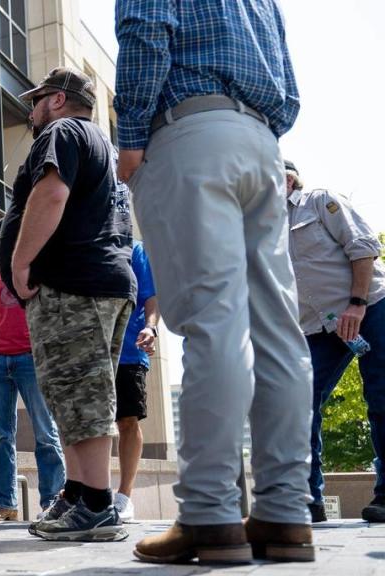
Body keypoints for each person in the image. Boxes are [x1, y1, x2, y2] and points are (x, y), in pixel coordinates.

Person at [114, 0, 314, 564]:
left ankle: (209, 515)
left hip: (190, 133)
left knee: (214, 326)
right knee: (277, 330)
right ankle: (285, 513)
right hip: (261, 142)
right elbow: (287, 81)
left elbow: (144, 31)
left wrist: (130, 139)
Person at [0, 67, 136, 542]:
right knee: (69, 392)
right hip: (101, 281)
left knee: (81, 393)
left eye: (36, 100)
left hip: (76, 283)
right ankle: (79, 493)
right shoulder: (102, 144)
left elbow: (51, 193)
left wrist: (20, 262)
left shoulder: (62, 131)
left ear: (57, 100)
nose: (31, 109)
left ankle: (96, 503)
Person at [284, 160, 385, 524]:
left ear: (287, 178)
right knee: (298, 404)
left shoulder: (320, 202)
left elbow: (363, 248)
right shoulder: (262, 227)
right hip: (319, 328)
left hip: (370, 308)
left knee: (382, 396)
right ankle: (308, 500)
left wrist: (356, 305)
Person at [0, 218, 65, 522]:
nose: (2, 241)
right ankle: (4, 504)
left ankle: (53, 502)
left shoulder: (41, 274)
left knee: (45, 432)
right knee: (2, 436)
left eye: (7, 236)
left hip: (31, 360)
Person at [113, 240, 159, 522]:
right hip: (91, 349)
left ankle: (124, 496)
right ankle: (83, 492)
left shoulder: (137, 249)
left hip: (129, 350)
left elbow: (151, 296)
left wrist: (151, 327)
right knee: (87, 422)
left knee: (128, 420)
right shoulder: (84, 237)